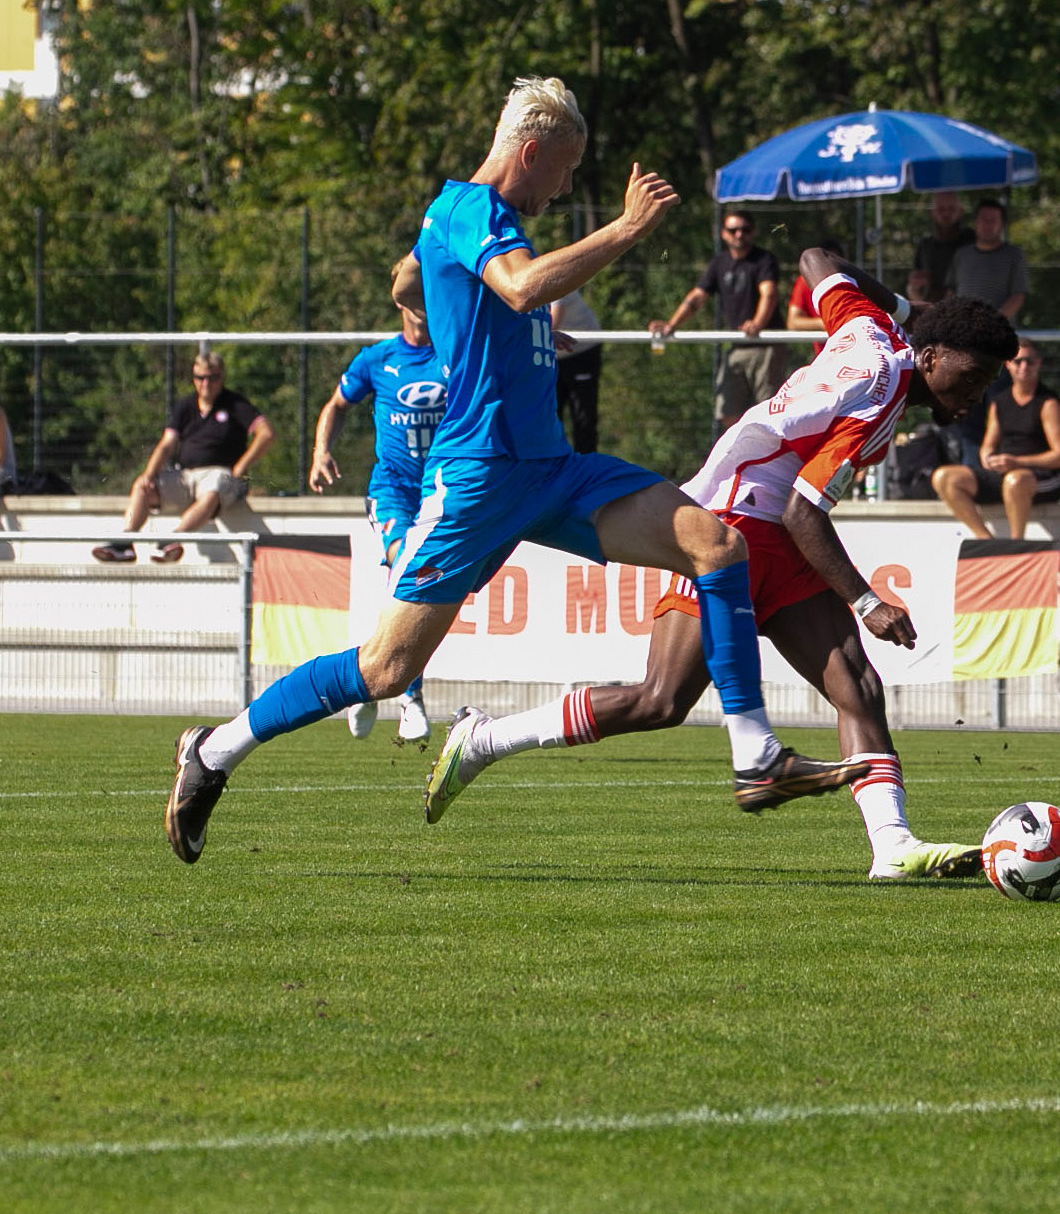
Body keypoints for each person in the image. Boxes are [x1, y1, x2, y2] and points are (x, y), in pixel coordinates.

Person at [164, 77, 791, 865]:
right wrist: (626, 228)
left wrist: (427, 278)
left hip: (553, 472)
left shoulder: (454, 221)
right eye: (561, 172)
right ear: (530, 152)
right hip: (480, 479)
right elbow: (523, 283)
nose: (563, 188)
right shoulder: (472, 210)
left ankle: (754, 750)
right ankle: (214, 752)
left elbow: (407, 277)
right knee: (387, 669)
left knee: (716, 545)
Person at [425, 250, 1015, 880]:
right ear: (931, 357)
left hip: (773, 530)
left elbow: (816, 258)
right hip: (729, 527)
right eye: (973, 375)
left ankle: (892, 846)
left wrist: (906, 308)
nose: (977, 394)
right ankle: (485, 740)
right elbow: (803, 512)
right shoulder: (882, 396)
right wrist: (866, 602)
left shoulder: (868, 325)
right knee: (661, 700)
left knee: (858, 687)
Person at [307, 259, 445, 746]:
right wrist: (323, 449)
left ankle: (367, 676)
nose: (426, 304)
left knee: (422, 585)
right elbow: (337, 405)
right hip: (390, 492)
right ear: (404, 301)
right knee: (407, 567)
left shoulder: (457, 351)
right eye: (417, 294)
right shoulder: (376, 360)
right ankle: (409, 695)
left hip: (442, 496)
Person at [95, 351, 275, 564]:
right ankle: (125, 543)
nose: (206, 384)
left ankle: (172, 540)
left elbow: (266, 433)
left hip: (220, 475)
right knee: (141, 486)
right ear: (193, 379)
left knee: (214, 486)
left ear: (222, 377)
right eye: (200, 378)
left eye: (212, 378)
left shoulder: (236, 405)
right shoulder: (186, 406)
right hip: (186, 475)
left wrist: (242, 466)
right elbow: (166, 444)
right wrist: (149, 475)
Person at [651, 210, 781, 431]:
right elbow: (697, 297)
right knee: (727, 411)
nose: (739, 235)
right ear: (723, 234)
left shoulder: (764, 260)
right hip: (738, 346)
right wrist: (671, 325)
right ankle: (743, 455)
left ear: (753, 232)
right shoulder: (719, 263)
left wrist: (757, 323)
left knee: (770, 412)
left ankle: (768, 461)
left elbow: (769, 293)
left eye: (745, 230)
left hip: (765, 346)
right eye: (733, 230)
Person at [932, 342, 1060, 540]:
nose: (1024, 367)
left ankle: (1016, 543)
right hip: (1007, 474)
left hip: (1042, 477)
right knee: (945, 477)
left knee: (1015, 482)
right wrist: (988, 457)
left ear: (1038, 363)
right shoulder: (1000, 402)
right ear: (1008, 365)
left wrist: (1017, 463)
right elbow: (988, 445)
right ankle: (985, 539)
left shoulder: (1048, 404)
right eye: (1018, 362)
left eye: (1029, 362)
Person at [946, 198, 1028, 321]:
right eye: (984, 219)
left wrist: (993, 322)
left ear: (1002, 225)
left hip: (999, 332)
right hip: (962, 328)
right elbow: (951, 292)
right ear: (975, 222)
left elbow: (1018, 295)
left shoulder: (1014, 255)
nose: (987, 225)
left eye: (993, 220)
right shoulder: (961, 254)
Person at [550, 286, 603, 453]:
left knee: (583, 417)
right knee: (550, 415)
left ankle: (586, 471)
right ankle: (551, 466)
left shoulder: (553, 280)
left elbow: (551, 325)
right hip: (551, 356)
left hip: (582, 352)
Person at [909, 191, 972, 304]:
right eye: (941, 209)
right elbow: (914, 286)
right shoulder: (925, 245)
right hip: (934, 311)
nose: (946, 214)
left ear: (960, 211)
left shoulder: (972, 241)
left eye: (951, 209)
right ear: (931, 212)